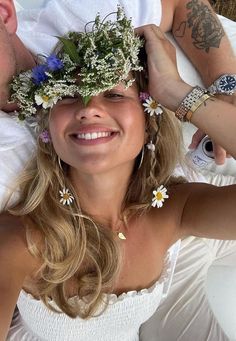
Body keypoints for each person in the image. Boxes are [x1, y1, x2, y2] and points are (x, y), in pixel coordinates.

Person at [1, 9, 236, 340]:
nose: (88, 108)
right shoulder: (22, 238)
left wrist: (177, 92)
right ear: (48, 128)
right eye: (68, 96)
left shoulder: (171, 210)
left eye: (113, 94)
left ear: (148, 119)